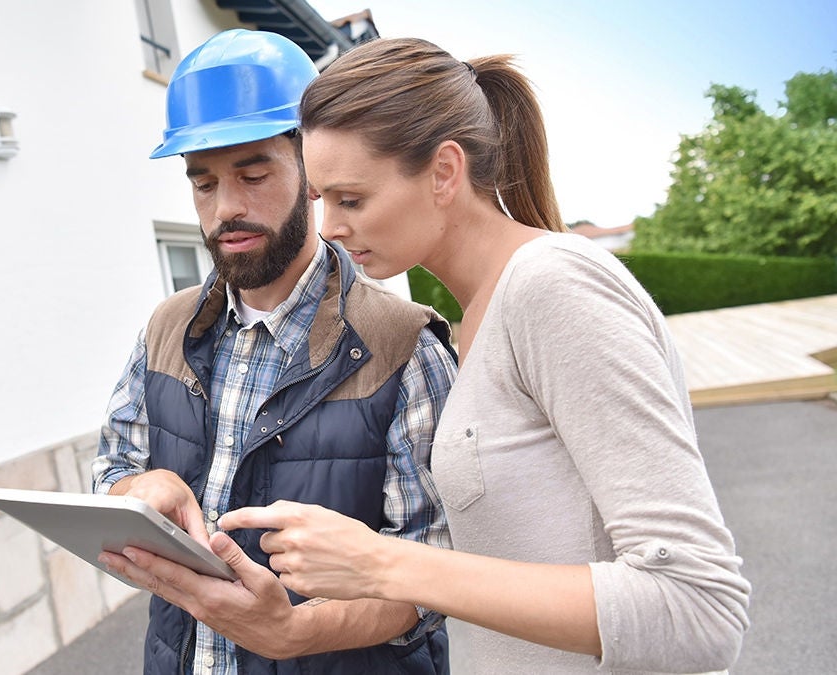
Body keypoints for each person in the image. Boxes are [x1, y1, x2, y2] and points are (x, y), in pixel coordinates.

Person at [220, 37, 752, 674]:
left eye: (352, 199)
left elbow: (698, 609)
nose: (329, 226)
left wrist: (384, 563)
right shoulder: (474, 319)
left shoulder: (551, 287)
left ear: (445, 171)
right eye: (321, 200)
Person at [91, 29, 459, 675]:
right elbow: (113, 466)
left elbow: (434, 574)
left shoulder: (404, 348)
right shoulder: (164, 329)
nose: (226, 207)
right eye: (202, 184)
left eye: (253, 174)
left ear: (312, 173)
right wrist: (134, 487)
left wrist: (294, 630)